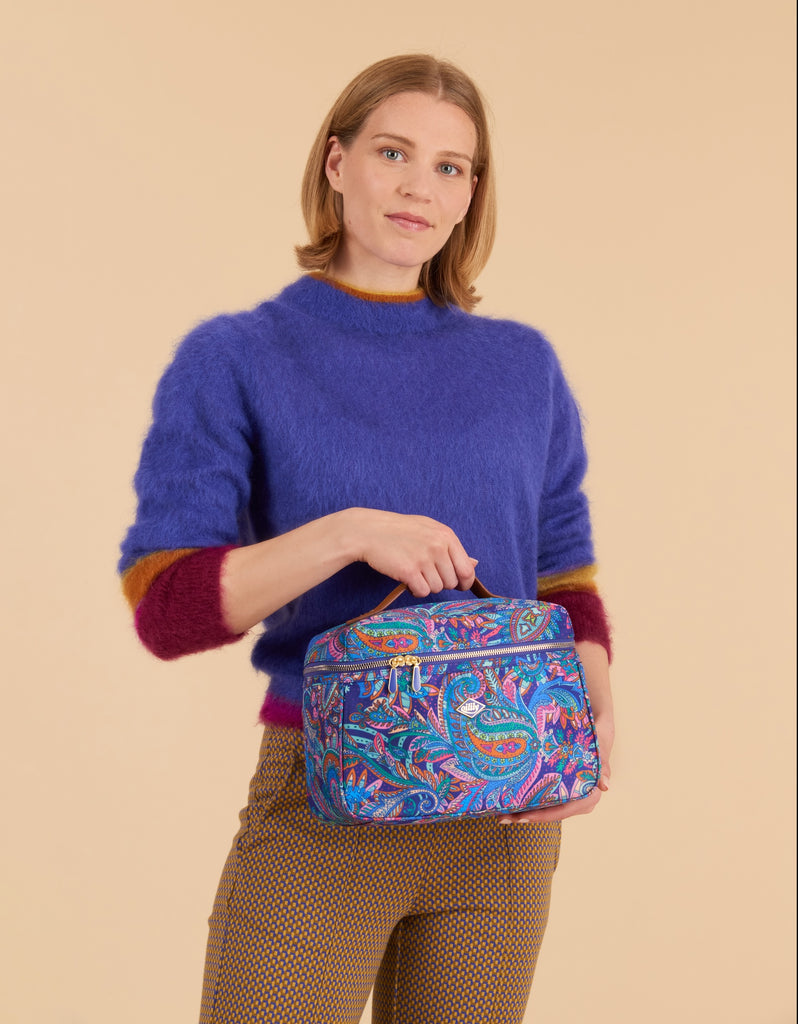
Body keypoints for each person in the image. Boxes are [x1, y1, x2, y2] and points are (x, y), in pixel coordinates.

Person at [119, 53, 614, 1024]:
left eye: (450, 166)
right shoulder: (236, 357)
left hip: (505, 820)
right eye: (394, 153)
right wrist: (348, 534)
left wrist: (590, 724)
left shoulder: (522, 365)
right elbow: (167, 608)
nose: (419, 186)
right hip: (326, 799)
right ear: (337, 163)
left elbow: (564, 574)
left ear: (471, 194)